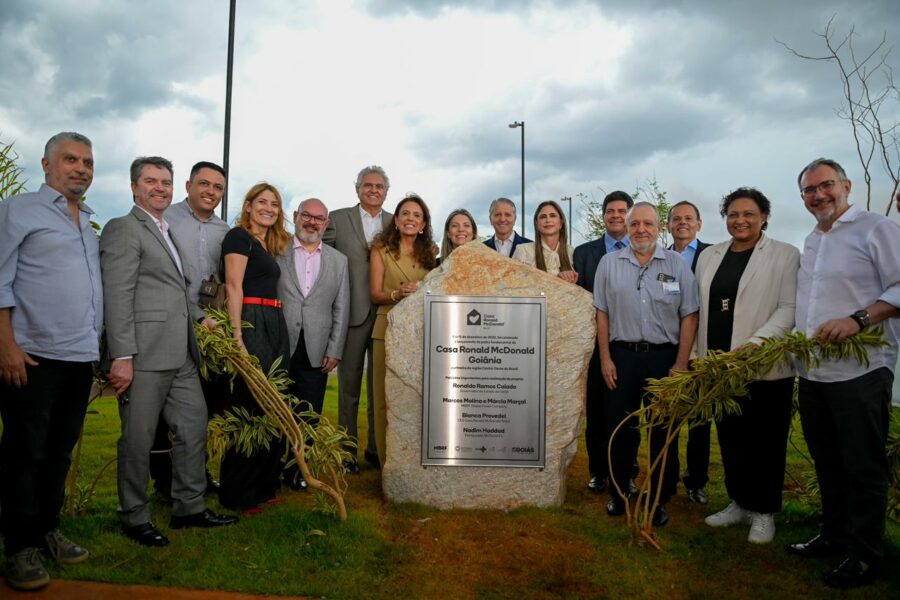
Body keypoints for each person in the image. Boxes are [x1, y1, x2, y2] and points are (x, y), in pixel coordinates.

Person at [101, 156, 237, 549]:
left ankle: (189, 506)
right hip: (143, 356)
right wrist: (122, 355)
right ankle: (133, 515)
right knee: (138, 440)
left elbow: (175, 294)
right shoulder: (123, 229)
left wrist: (200, 320)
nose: (159, 188)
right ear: (133, 187)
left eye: (165, 182)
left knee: (194, 427)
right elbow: (118, 294)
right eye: (150, 181)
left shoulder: (165, 230)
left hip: (181, 354)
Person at [787, 158, 900, 589]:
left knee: (862, 467)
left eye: (825, 186)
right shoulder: (814, 239)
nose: (818, 195)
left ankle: (865, 553)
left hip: (862, 371)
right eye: (809, 191)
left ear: (846, 185)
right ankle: (833, 536)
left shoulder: (876, 228)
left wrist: (859, 318)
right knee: (827, 462)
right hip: (816, 373)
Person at [0, 132, 101, 590]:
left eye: (87, 162)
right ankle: (19, 547)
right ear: (46, 165)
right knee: (25, 453)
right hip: (32, 357)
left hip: (79, 359)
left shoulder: (88, 222)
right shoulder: (18, 211)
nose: (80, 168)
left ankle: (46, 531)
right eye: (70, 160)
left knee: (58, 452)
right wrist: (6, 346)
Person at [694, 189, 799, 544]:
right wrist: (699, 356)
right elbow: (700, 308)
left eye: (749, 214)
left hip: (764, 368)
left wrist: (753, 346)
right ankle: (739, 502)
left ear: (764, 216)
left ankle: (764, 511)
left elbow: (787, 308)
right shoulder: (710, 256)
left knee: (765, 442)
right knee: (731, 438)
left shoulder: (785, 255)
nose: (740, 220)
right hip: (720, 368)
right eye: (733, 214)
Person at [594, 202, 699, 527]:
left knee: (662, 430)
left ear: (659, 228)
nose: (641, 229)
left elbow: (690, 314)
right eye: (635, 223)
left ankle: (659, 496)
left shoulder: (677, 265)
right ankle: (619, 492)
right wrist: (606, 358)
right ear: (626, 227)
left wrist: (681, 362)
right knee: (620, 428)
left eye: (648, 224)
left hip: (665, 359)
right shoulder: (609, 263)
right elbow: (601, 313)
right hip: (621, 356)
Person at [150, 160, 230, 502]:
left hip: (210, 329)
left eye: (217, 188)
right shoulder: (166, 221)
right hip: (172, 324)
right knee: (162, 413)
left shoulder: (225, 231)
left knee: (205, 408)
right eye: (204, 184)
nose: (210, 192)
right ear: (188, 185)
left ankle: (197, 473)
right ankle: (164, 483)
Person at [218, 182, 292, 513]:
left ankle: (263, 484)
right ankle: (237, 492)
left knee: (273, 402)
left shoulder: (268, 243)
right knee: (250, 402)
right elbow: (233, 285)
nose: (268, 208)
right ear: (248, 206)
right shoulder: (238, 237)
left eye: (274, 204)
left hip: (274, 319)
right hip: (252, 318)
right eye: (262, 201)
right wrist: (237, 336)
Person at [323, 166, 393, 472]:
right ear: (358, 189)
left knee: (380, 388)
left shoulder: (395, 222)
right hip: (351, 314)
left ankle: (376, 451)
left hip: (386, 316)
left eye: (379, 186)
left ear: (386, 191)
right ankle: (347, 454)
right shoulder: (337, 219)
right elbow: (321, 259)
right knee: (349, 388)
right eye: (368, 185)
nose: (373, 190)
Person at [277, 198, 350, 490]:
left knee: (308, 414)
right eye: (306, 215)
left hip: (317, 349)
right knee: (276, 410)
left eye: (319, 218)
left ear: (326, 224)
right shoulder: (276, 251)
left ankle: (299, 473)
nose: (312, 222)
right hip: (280, 345)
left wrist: (335, 348)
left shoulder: (338, 260)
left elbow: (341, 308)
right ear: (295, 217)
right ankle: (271, 467)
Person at [369, 193, 437, 466]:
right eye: (405, 214)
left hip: (422, 331)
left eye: (417, 215)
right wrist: (398, 294)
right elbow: (375, 294)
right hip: (386, 326)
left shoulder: (430, 253)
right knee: (384, 397)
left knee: (417, 397)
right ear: (396, 220)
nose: (411, 219)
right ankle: (388, 463)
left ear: (423, 224)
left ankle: (415, 464)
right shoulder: (380, 250)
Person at [573, 191, 633, 495]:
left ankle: (627, 471)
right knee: (596, 410)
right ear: (603, 215)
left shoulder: (642, 251)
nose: (616, 216)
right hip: (595, 346)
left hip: (630, 343)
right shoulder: (584, 253)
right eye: (610, 211)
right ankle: (598, 470)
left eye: (622, 211)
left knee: (626, 414)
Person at [666, 200, 712, 505]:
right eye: (676, 219)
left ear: (699, 223)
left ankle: (696, 482)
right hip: (669, 345)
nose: (682, 223)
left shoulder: (713, 255)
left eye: (688, 218)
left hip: (703, 348)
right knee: (667, 420)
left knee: (699, 421)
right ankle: (666, 480)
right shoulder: (662, 258)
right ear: (668, 225)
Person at [512, 200, 578, 283]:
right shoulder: (523, 251)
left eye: (552, 216)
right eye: (543, 217)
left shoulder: (572, 252)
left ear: (561, 223)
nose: (548, 220)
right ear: (536, 223)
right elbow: (512, 285)